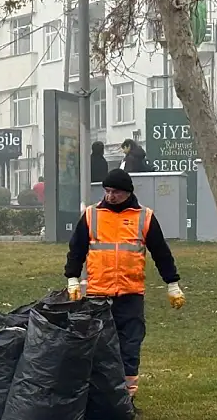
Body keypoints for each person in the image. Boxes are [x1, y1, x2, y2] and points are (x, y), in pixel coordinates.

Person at [64, 169, 184, 403]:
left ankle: (126, 398)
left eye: (116, 192)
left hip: (130, 294)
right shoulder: (91, 215)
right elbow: (77, 250)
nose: (110, 196)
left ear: (127, 192)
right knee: (98, 346)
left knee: (129, 345)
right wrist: (72, 278)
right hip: (98, 294)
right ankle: (99, 395)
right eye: (107, 191)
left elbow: (161, 253)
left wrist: (172, 283)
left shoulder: (144, 217)